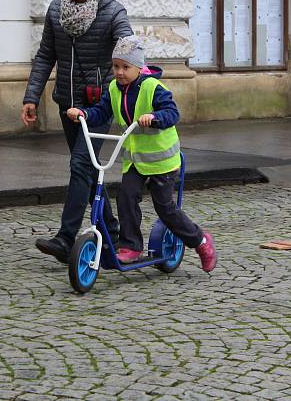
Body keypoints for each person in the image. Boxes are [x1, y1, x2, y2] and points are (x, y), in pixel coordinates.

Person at [65, 36, 217, 273]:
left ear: (139, 67)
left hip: (163, 162)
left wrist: (155, 118)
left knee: (165, 207)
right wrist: (83, 113)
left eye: (126, 67)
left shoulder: (153, 88)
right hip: (135, 160)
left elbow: (172, 112)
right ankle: (130, 246)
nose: (120, 72)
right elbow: (102, 111)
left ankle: (200, 240)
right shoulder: (114, 89)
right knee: (125, 197)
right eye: (116, 66)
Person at [22, 0, 132, 263]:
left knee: (81, 165)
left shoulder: (112, 11)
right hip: (67, 104)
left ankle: (65, 237)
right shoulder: (57, 10)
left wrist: (129, 90)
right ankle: (112, 230)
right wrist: (31, 97)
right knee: (90, 169)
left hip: (99, 105)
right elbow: (45, 56)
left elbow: (130, 51)